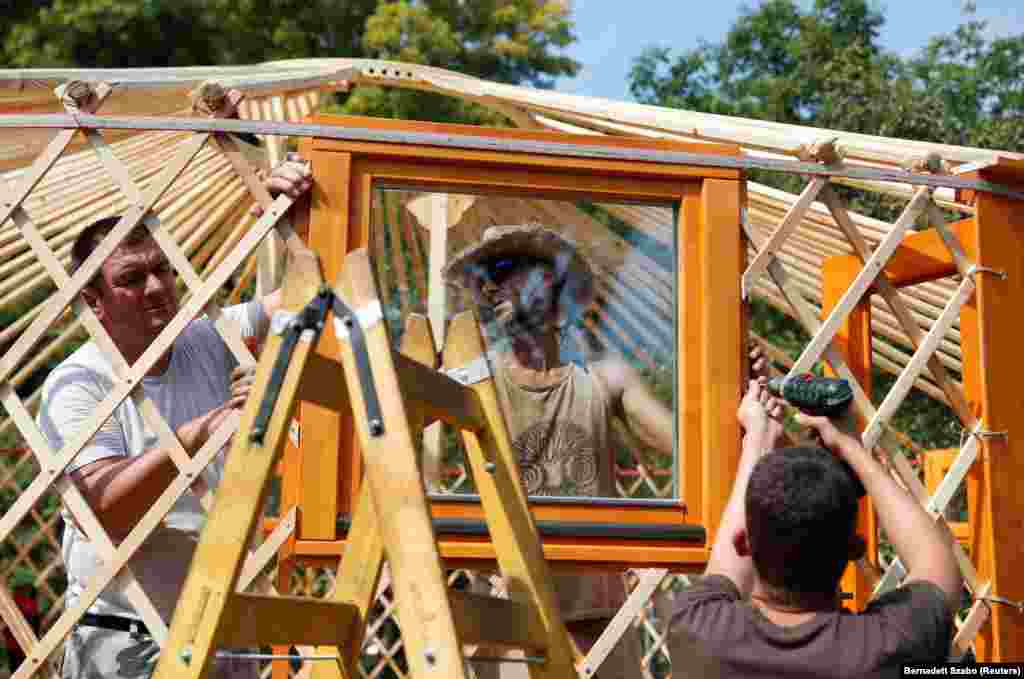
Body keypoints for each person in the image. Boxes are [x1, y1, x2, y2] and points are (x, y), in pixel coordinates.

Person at [36, 155, 313, 679]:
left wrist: (297, 221)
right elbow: (104, 508)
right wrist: (204, 430)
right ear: (92, 300)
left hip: (221, 626)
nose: (158, 287)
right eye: (132, 278)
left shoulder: (207, 337)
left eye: (163, 269)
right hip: (127, 641)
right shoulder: (78, 384)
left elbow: (308, 301)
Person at [443, 224, 676, 678]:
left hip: (598, 623)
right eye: (486, 275)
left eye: (507, 270)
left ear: (551, 284)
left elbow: (691, 449)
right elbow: (392, 421)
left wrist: (740, 387)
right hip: (506, 617)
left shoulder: (602, 378)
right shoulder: (473, 378)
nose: (492, 286)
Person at [667, 378, 961, 678]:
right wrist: (852, 447)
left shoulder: (699, 630)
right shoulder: (890, 645)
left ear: (744, 543)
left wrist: (758, 439)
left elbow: (726, 564)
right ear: (854, 548)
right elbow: (934, 560)